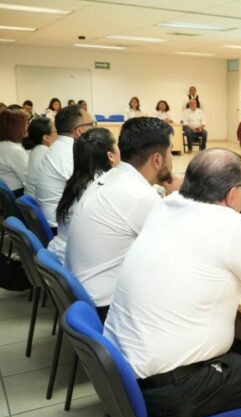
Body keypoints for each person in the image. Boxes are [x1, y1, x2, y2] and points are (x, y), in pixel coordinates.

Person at [104, 148, 241, 417]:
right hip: (174, 389)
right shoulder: (230, 224)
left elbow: (199, 264)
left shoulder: (165, 206)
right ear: (232, 194)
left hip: (125, 377)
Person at [66, 117, 180, 321]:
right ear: (157, 159)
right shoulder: (140, 196)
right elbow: (180, 251)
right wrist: (183, 197)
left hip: (85, 299)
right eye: (170, 152)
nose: (172, 159)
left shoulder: (110, 177)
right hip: (107, 309)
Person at [48, 128, 120, 264]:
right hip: (75, 263)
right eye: (116, 144)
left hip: (60, 257)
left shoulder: (78, 181)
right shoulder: (105, 187)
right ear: (110, 155)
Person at [35, 105, 93, 227]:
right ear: (80, 131)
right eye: (91, 125)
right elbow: (92, 191)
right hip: (59, 225)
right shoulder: (70, 153)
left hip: (52, 217)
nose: (94, 129)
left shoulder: (57, 147)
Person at [23, 117, 58, 196]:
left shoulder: (37, 150)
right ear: (46, 138)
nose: (59, 133)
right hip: (39, 200)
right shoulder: (47, 155)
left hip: (32, 197)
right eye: (56, 131)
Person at [0, 109, 28, 196]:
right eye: (25, 124)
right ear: (17, 127)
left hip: (6, 192)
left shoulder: (4, 144)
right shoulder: (15, 150)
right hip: (17, 193)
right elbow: (27, 179)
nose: (27, 127)